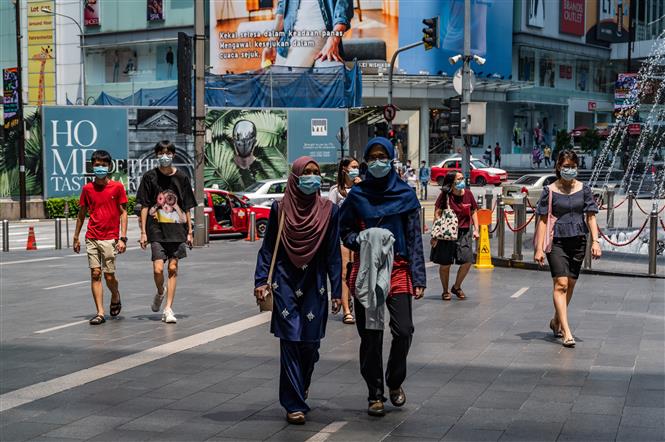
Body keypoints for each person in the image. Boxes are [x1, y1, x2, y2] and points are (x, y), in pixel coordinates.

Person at [340, 137, 426, 417]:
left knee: (404, 330)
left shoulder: (405, 194)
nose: (378, 162)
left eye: (383, 157)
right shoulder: (357, 196)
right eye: (372, 157)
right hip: (367, 271)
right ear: (366, 161)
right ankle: (374, 393)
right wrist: (361, 239)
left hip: (399, 269)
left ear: (390, 159)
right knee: (370, 335)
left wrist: (419, 277)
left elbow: (414, 238)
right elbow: (344, 231)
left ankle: (395, 381)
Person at [254, 156, 342, 425]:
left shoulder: (330, 211)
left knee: (310, 344)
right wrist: (260, 280)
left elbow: (332, 254)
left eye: (316, 172)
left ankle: (300, 385)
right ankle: (293, 402)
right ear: (294, 177)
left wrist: (337, 290)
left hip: (314, 283)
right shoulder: (280, 208)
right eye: (306, 173)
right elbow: (269, 247)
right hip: (284, 282)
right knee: (291, 340)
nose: (312, 177)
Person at [534, 150, 601, 348]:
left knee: (570, 284)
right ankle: (567, 332)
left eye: (572, 166)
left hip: (578, 239)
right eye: (566, 166)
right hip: (556, 241)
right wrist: (539, 248)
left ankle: (556, 321)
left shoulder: (584, 189)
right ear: (558, 167)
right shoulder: (550, 190)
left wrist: (595, 241)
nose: (569, 170)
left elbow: (591, 216)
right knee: (560, 284)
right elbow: (543, 221)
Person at [137, 140, 196, 324]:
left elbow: (187, 206)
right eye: (161, 153)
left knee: (172, 268)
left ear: (173, 155)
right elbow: (144, 206)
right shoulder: (149, 177)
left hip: (177, 231)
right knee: (158, 269)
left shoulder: (182, 177)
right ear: (156, 155)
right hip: (156, 231)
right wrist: (143, 233)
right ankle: (160, 291)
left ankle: (168, 309)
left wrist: (190, 232)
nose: (165, 156)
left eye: (168, 153)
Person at [73, 150, 128, 325]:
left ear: (109, 166)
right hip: (92, 236)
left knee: (109, 276)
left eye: (103, 165)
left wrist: (123, 238)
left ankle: (115, 294)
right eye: (97, 165)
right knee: (95, 273)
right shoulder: (87, 189)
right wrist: (76, 237)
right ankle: (100, 312)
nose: (100, 168)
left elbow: (123, 213)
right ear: (92, 166)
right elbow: (81, 214)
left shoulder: (117, 187)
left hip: (110, 238)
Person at [430, 171, 479, 301]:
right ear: (451, 182)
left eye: (462, 178)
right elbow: (437, 213)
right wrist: (435, 234)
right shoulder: (445, 195)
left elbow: (474, 211)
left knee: (467, 261)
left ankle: (456, 286)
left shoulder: (468, 194)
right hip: (447, 234)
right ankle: (445, 290)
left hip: (464, 232)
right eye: (459, 179)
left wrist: (476, 229)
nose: (462, 181)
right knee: (445, 264)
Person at [263, 0, 353, 68]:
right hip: (288, 36)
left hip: (317, 32)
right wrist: (271, 43)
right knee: (274, 82)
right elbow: (282, 8)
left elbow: (343, 9)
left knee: (286, 84)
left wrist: (334, 39)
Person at [328, 157, 362, 325]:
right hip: (342, 237)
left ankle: (353, 301)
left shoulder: (362, 188)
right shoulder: (336, 191)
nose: (356, 169)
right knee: (344, 273)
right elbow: (330, 215)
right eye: (353, 167)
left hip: (360, 237)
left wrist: (360, 188)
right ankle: (346, 311)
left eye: (358, 167)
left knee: (358, 271)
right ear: (344, 170)